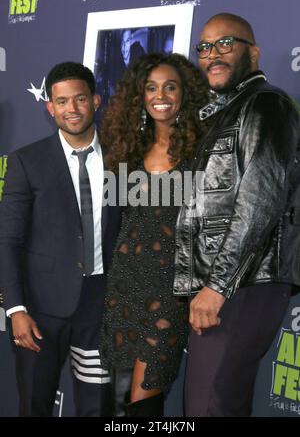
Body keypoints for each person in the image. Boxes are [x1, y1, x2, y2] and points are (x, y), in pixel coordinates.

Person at [173, 12, 300, 416]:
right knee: (216, 403)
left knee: (209, 405)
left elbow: (259, 205)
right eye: (205, 47)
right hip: (231, 283)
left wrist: (216, 288)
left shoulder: (266, 104)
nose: (212, 54)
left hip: (243, 284)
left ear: (254, 52)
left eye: (225, 43)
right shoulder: (224, 113)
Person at [0, 62, 120, 417]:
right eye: (62, 101)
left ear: (96, 100)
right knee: (35, 405)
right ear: (50, 107)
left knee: (97, 407)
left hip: (102, 305)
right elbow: (7, 240)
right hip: (39, 310)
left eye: (80, 98)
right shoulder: (27, 161)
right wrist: (16, 309)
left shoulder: (122, 157)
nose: (72, 109)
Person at [99, 52, 208, 417]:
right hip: (125, 287)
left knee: (144, 397)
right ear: (140, 96)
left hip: (170, 293)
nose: (160, 95)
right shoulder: (127, 152)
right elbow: (119, 222)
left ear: (184, 94)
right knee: (120, 399)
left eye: (170, 86)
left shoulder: (202, 153)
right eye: (151, 87)